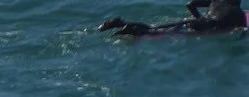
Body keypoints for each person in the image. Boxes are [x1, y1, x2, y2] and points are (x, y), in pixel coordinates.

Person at [102, 0, 243, 32]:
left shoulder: (214, 0)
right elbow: (243, 30)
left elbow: (190, 4)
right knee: (154, 31)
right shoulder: (238, 13)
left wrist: (198, 18)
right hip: (205, 26)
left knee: (155, 28)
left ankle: (120, 23)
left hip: (195, 22)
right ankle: (127, 27)